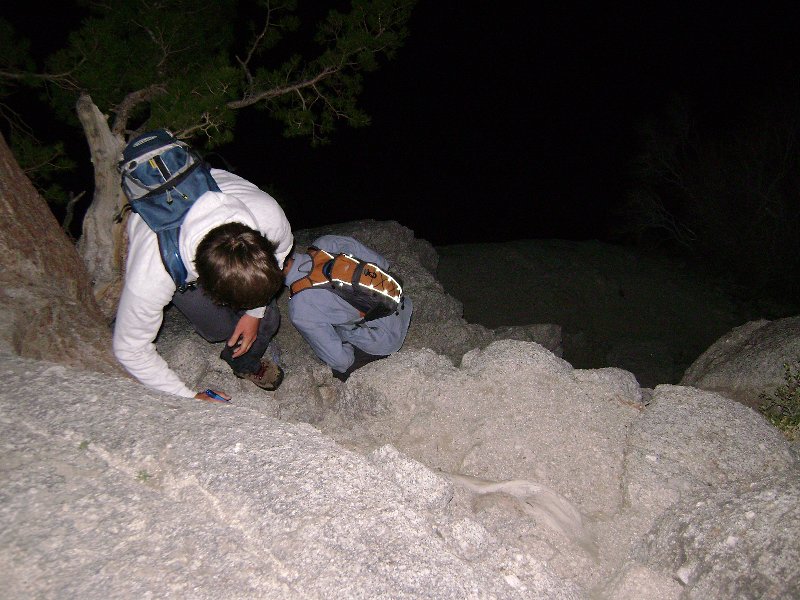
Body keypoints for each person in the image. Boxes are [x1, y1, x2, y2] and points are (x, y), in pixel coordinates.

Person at [113, 167, 293, 402]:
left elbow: (278, 258)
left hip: (207, 214)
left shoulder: (270, 219)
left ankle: (244, 364)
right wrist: (187, 397)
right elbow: (130, 349)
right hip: (167, 244)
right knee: (219, 328)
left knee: (269, 318)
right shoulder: (155, 271)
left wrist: (255, 312)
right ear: (210, 290)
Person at [283, 235, 413, 381]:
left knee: (336, 369)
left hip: (387, 340)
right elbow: (382, 264)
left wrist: (345, 343)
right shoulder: (325, 243)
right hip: (401, 302)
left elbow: (342, 361)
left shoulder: (300, 308)